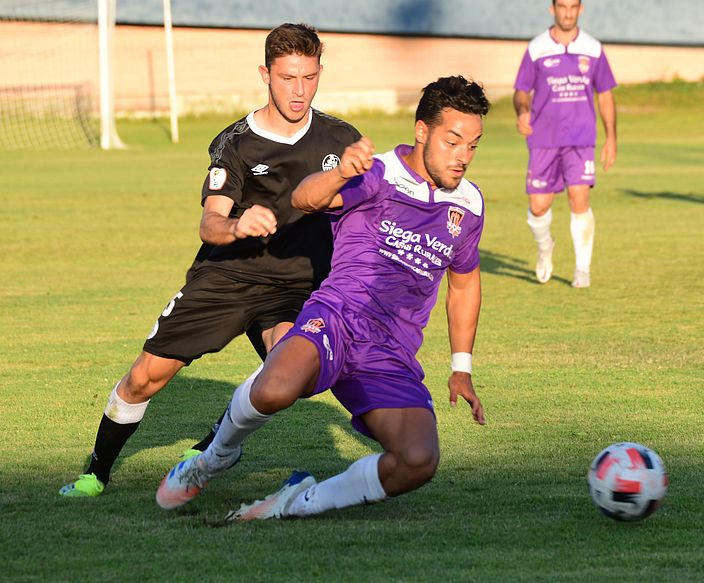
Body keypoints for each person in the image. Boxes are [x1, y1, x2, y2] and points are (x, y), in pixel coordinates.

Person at [155, 76, 489, 521]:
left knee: (418, 460)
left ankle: (297, 503)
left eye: (473, 145)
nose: (463, 157)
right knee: (274, 389)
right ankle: (211, 459)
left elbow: (464, 283)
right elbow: (303, 197)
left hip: (390, 350)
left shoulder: (468, 205)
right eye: (453, 142)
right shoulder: (379, 173)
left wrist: (461, 368)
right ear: (422, 131)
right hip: (336, 317)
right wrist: (341, 171)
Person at [59, 23, 361, 497]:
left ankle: (215, 442)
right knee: (144, 378)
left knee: (295, 374)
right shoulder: (236, 142)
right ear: (265, 74)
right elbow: (210, 224)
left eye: (309, 77)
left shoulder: (340, 138)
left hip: (297, 287)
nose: (299, 90)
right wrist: (239, 226)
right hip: (228, 275)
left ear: (320, 71)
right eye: (287, 78)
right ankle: (96, 471)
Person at [513, 0, 617, 288]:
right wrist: (522, 111)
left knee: (579, 198)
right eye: (562, 6)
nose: (568, 12)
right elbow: (522, 91)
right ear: (552, 9)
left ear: (581, 9)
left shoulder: (593, 48)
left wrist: (612, 137)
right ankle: (545, 246)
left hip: (581, 139)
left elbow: (605, 94)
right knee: (538, 205)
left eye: (573, 6)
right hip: (544, 139)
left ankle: (582, 269)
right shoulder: (536, 48)